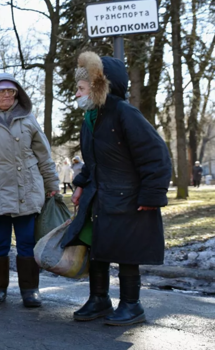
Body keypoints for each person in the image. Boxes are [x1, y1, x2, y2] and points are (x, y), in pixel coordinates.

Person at [66, 52, 171, 326]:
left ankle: (131, 305)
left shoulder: (125, 113)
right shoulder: (90, 118)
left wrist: (152, 195)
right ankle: (99, 299)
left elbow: (156, 155)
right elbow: (94, 160)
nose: (76, 93)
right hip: (101, 196)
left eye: (81, 87)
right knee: (97, 247)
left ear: (100, 87)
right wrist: (80, 186)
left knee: (127, 252)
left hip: (129, 197)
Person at [0, 74, 59, 308]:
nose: (7, 95)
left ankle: (30, 290)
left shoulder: (28, 119)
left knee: (27, 242)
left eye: (12, 91)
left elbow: (44, 156)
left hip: (26, 189)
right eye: (2, 91)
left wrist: (52, 184)